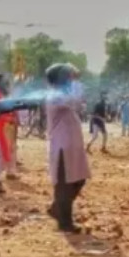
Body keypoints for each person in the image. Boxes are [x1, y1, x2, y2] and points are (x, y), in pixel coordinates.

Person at [45, 63, 90, 233]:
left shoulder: (63, 94)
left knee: (79, 179)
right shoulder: (55, 96)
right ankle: (65, 222)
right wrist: (76, 80)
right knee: (65, 185)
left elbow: (78, 102)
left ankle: (58, 208)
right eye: (68, 76)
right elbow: (76, 99)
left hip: (72, 146)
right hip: (62, 147)